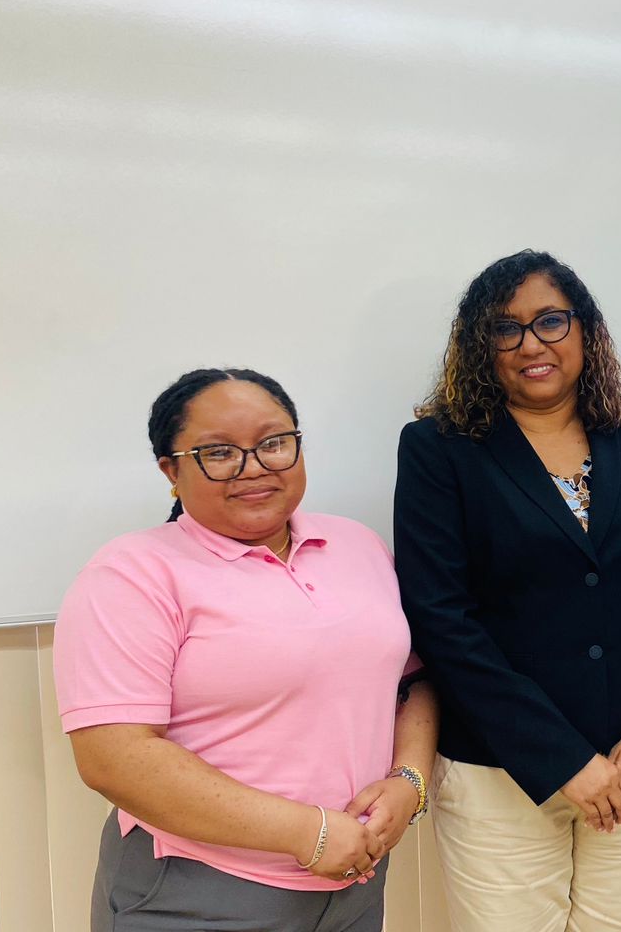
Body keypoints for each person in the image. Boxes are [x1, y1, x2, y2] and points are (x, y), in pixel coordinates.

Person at [54, 368, 438, 932]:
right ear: (171, 470)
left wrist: (410, 782)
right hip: (197, 889)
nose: (253, 467)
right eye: (218, 453)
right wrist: (306, 832)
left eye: (273, 443)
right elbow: (113, 758)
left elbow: (413, 680)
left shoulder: (358, 545)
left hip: (355, 884)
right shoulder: (130, 574)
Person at [394, 249, 621, 932]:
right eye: (507, 329)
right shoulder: (439, 448)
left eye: (551, 321)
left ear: (585, 329)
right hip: (499, 771)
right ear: (482, 346)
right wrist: (563, 760)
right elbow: (441, 619)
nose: (531, 344)